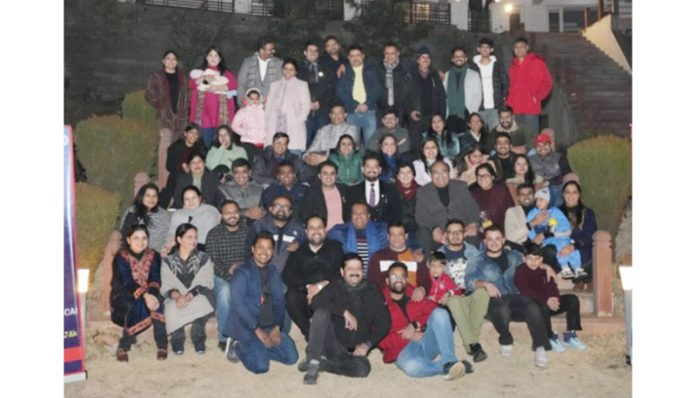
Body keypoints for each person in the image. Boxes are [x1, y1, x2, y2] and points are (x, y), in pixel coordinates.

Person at [464, 226, 551, 368]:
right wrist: (485, 284)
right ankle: (506, 339)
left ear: (503, 240)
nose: (494, 242)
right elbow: (469, 281)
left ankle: (540, 348)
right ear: (485, 242)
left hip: (514, 297)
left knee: (531, 306)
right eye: (490, 239)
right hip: (491, 301)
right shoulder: (477, 260)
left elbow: (532, 262)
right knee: (501, 309)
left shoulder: (514, 256)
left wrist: (547, 267)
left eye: (497, 238)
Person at [300, 253, 391, 384]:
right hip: (333, 343)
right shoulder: (335, 286)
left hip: (355, 351)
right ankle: (313, 360)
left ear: (363, 271)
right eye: (350, 269)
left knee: (363, 369)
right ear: (342, 271)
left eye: (358, 268)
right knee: (321, 313)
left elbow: (385, 323)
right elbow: (315, 302)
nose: (355, 272)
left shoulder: (373, 290)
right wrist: (343, 312)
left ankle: (323, 364)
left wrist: (367, 345)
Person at [378, 262, 472, 380]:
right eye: (394, 276)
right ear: (387, 281)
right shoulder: (379, 303)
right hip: (403, 349)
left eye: (402, 276)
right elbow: (380, 339)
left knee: (440, 313)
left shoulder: (414, 292)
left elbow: (433, 310)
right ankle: (449, 367)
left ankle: (449, 360)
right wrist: (406, 336)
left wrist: (416, 324)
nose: (398, 280)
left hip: (426, 340)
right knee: (412, 367)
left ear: (407, 279)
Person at [223, 232, 300, 373]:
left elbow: (279, 301)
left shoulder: (273, 271)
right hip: (248, 327)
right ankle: (238, 346)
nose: (264, 252)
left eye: (269, 248)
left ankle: (260, 350)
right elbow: (238, 305)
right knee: (261, 367)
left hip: (270, 325)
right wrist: (257, 330)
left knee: (291, 358)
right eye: (260, 247)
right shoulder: (242, 272)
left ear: (272, 252)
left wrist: (277, 327)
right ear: (253, 249)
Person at [514, 242, 587, 353]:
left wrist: (555, 299)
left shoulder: (545, 270)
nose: (533, 262)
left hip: (550, 304)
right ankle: (549, 337)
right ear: (524, 259)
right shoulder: (520, 271)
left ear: (541, 259)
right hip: (534, 307)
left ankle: (570, 335)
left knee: (572, 299)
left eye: (536, 259)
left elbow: (552, 287)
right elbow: (526, 291)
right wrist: (547, 300)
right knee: (542, 306)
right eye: (529, 259)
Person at [110, 225, 168, 362]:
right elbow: (127, 282)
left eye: (144, 238)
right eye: (136, 238)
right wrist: (146, 296)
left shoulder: (153, 255)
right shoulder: (121, 257)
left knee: (158, 303)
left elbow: (155, 278)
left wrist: (152, 295)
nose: (140, 242)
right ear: (128, 240)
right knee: (139, 303)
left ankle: (162, 344)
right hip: (123, 295)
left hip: (149, 292)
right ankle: (124, 344)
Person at [282, 215, 344, 340]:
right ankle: (310, 334)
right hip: (307, 295)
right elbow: (287, 275)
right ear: (306, 232)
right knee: (291, 296)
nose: (316, 231)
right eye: (312, 228)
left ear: (325, 230)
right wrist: (308, 286)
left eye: (319, 227)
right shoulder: (298, 251)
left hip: (330, 293)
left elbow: (342, 271)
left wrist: (322, 285)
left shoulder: (335, 248)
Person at [435, 219, 489, 362]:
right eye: (451, 232)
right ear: (446, 235)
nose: (455, 235)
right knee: (454, 300)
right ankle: (473, 345)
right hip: (451, 299)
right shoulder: (438, 256)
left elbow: (480, 274)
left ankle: (470, 340)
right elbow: (435, 282)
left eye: (459, 232)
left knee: (483, 293)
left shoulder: (473, 252)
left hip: (469, 295)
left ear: (465, 234)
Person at [161, 223, 215, 355]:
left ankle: (198, 337)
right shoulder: (168, 261)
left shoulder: (204, 258)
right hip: (176, 298)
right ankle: (177, 338)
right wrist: (178, 297)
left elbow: (206, 282)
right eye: (189, 237)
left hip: (198, 295)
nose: (194, 240)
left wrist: (189, 295)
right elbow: (166, 285)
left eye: (195, 237)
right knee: (171, 308)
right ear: (179, 240)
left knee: (202, 303)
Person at [205, 200, 249, 351]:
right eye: (227, 212)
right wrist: (229, 275)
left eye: (235, 211)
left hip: (244, 274)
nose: (232, 215)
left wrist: (240, 268)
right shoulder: (214, 234)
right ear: (221, 215)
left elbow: (254, 256)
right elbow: (212, 262)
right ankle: (224, 337)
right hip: (220, 276)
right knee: (225, 292)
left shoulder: (249, 232)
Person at [145, 50, 190, 190]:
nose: (171, 61)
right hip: (165, 118)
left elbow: (188, 95)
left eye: (174, 59)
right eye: (168, 59)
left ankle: (177, 182)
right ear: (163, 61)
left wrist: (185, 109)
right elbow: (149, 94)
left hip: (180, 119)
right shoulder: (157, 76)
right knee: (165, 148)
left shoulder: (182, 77)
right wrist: (161, 106)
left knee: (179, 150)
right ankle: (163, 181)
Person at [415, 160, 480, 254]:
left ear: (449, 173)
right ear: (430, 174)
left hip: (462, 232)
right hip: (439, 235)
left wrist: (472, 223)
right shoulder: (423, 192)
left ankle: (471, 265)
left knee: (473, 235)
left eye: (443, 172)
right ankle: (429, 263)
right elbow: (420, 217)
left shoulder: (461, 186)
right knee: (422, 234)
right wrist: (434, 228)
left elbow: (473, 209)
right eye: (435, 173)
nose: (440, 176)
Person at [527, 187, 586, 279]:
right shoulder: (533, 213)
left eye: (541, 200)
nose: (538, 203)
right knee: (559, 247)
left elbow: (565, 224)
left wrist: (556, 229)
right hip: (546, 240)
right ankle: (565, 268)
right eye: (537, 200)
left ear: (549, 201)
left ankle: (577, 267)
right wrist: (534, 238)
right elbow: (530, 230)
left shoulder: (555, 211)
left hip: (559, 236)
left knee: (569, 247)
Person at [188, 46, 238, 148]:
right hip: (204, 115)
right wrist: (203, 78)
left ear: (220, 59)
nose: (213, 58)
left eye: (216, 55)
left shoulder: (226, 73)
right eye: (210, 55)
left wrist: (216, 87)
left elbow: (233, 85)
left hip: (221, 115)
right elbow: (191, 84)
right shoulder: (200, 72)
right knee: (205, 145)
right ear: (206, 58)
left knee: (221, 145)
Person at [245, 195, 305, 273]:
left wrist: (299, 242)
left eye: (286, 206)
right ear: (270, 209)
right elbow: (248, 252)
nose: (281, 209)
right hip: (260, 274)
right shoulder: (259, 226)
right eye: (277, 205)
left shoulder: (299, 229)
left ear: (291, 211)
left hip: (288, 277)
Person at [263, 58, 311, 155]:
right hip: (275, 123)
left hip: (293, 124)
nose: (288, 71)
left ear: (296, 71)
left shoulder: (302, 85)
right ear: (282, 70)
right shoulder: (274, 85)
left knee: (293, 153)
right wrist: (266, 121)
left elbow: (306, 106)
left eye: (291, 69)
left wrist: (298, 119)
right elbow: (268, 106)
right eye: (286, 68)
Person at [506, 37, 553, 135]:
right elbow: (510, 86)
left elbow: (547, 82)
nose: (519, 49)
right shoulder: (512, 67)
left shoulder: (537, 63)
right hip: (516, 108)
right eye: (516, 47)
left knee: (531, 136)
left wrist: (537, 97)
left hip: (530, 107)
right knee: (518, 137)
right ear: (513, 50)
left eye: (521, 47)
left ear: (527, 48)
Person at [336, 45, 381, 145]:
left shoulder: (372, 70)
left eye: (358, 55)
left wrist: (367, 104)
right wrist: (355, 105)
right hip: (352, 113)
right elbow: (340, 92)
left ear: (363, 56)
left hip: (369, 111)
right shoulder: (344, 72)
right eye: (352, 56)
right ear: (348, 57)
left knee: (371, 144)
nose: (355, 58)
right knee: (351, 144)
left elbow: (377, 89)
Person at [405, 46, 446, 154]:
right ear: (418, 60)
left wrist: (441, 116)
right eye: (422, 57)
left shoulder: (435, 76)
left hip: (432, 118)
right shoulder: (410, 75)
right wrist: (410, 111)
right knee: (416, 147)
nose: (425, 59)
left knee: (433, 146)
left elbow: (442, 97)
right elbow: (405, 97)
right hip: (417, 117)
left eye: (428, 57)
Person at [367, 222, 429, 291]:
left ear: (406, 236)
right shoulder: (377, 257)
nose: (396, 238)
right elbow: (372, 284)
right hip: (385, 299)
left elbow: (425, 281)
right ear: (388, 237)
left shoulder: (416, 256)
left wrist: (422, 289)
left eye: (400, 234)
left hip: (412, 299)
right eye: (393, 235)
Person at [328, 203, 388, 273]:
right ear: (351, 216)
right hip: (349, 278)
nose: (358, 216)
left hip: (375, 276)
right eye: (355, 213)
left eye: (362, 213)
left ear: (368, 215)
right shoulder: (339, 232)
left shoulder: (381, 230)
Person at [559, 180, 598, 289]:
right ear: (563, 195)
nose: (571, 196)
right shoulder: (556, 212)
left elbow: (589, 235)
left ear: (579, 195)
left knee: (586, 252)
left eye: (574, 192)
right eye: (567, 192)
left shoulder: (588, 212)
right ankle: (578, 280)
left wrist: (573, 246)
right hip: (562, 247)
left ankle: (586, 278)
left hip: (582, 246)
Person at [297, 41, 335, 148]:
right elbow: (295, 89)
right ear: (305, 52)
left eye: (315, 51)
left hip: (322, 111)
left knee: (322, 142)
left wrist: (320, 102)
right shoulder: (298, 69)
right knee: (305, 141)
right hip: (304, 112)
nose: (313, 53)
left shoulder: (325, 68)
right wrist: (306, 103)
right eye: (310, 50)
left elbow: (330, 89)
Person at [346, 153, 402, 224]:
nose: (371, 170)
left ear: (380, 170)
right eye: (368, 166)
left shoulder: (390, 189)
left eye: (375, 167)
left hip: (385, 231)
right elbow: (348, 216)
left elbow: (397, 214)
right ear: (362, 169)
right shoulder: (353, 191)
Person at [160, 123, 207, 208]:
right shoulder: (176, 147)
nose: (193, 136)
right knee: (175, 180)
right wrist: (182, 165)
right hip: (177, 175)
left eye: (196, 134)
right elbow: (169, 166)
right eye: (191, 133)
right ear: (185, 133)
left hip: (194, 176)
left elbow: (203, 165)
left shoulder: (200, 148)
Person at [165, 185, 221, 253]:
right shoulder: (178, 214)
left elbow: (207, 238)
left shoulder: (210, 212)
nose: (190, 202)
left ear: (200, 198)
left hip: (202, 249)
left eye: (193, 198)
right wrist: (168, 246)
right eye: (187, 199)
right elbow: (171, 233)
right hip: (179, 248)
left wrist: (181, 241)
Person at [299, 161, 349, 231]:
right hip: (322, 232)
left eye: (332, 173)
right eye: (325, 173)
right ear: (319, 176)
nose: (329, 176)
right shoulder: (312, 192)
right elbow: (305, 214)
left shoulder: (345, 190)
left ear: (336, 176)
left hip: (344, 230)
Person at [443, 47, 482, 133]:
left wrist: (472, 114)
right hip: (451, 115)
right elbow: (444, 96)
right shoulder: (447, 75)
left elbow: (478, 96)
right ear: (452, 59)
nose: (458, 58)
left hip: (467, 113)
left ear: (465, 58)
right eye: (456, 56)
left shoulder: (474, 75)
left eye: (461, 56)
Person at [473, 37, 509, 130]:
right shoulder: (473, 67)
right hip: (479, 107)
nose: (485, 49)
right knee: (481, 135)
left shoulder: (498, 66)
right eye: (482, 47)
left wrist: (503, 98)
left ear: (491, 50)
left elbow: (505, 82)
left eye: (487, 47)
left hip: (496, 107)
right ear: (478, 49)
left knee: (495, 134)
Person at [528, 132, 573, 206]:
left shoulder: (559, 157)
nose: (542, 148)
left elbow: (566, 173)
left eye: (545, 144)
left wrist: (550, 182)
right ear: (535, 148)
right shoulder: (529, 159)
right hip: (536, 188)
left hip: (555, 187)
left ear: (550, 145)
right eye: (538, 146)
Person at [237, 36, 283, 106]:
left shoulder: (280, 63)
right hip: (251, 106)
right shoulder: (247, 62)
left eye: (273, 49)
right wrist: (241, 104)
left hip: (272, 107)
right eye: (270, 49)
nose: (273, 51)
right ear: (261, 50)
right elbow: (241, 84)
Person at [469, 163, 515, 230]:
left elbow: (507, 214)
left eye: (486, 175)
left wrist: (484, 226)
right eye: (479, 175)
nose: (482, 178)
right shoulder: (473, 193)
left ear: (492, 177)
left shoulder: (501, 191)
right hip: (479, 229)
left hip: (501, 228)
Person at [219, 158, 265, 223]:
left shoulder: (259, 188)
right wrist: (245, 213)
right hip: (232, 225)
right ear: (232, 173)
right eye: (237, 173)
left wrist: (261, 212)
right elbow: (220, 211)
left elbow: (265, 208)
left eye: (244, 172)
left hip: (256, 224)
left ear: (249, 172)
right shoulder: (223, 189)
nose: (240, 176)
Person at [376, 42, 413, 123]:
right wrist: (343, 65)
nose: (389, 56)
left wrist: (435, 71)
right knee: (382, 134)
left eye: (392, 53)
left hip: (400, 109)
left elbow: (422, 67)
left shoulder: (405, 67)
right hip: (381, 109)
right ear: (383, 54)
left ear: (398, 54)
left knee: (399, 133)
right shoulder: (377, 68)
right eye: (387, 53)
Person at [394, 162, 419, 237]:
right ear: (397, 176)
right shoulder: (391, 191)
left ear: (413, 175)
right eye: (402, 173)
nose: (405, 175)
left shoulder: (421, 191)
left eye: (408, 172)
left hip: (419, 230)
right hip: (399, 230)